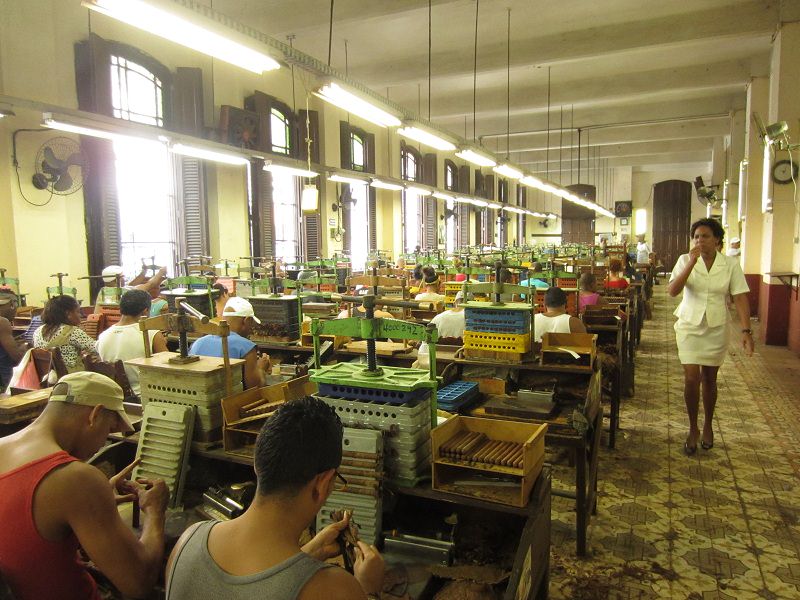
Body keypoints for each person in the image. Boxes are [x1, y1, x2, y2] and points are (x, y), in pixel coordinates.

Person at [165, 396, 385, 600]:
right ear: (322, 484)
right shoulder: (334, 589)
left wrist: (307, 554)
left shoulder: (187, 543)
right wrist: (368, 589)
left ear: (257, 464)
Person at [0, 372, 168, 600]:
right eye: (108, 431)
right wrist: (155, 512)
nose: (101, 445)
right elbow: (139, 583)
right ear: (95, 415)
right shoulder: (75, 478)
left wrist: (92, 506)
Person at [668, 218, 753, 455]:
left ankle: (708, 426)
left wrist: (746, 331)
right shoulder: (685, 260)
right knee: (691, 378)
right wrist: (691, 262)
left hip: (716, 326)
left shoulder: (730, 264)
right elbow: (673, 291)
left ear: (717, 240)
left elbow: (740, 297)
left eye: (705, 236)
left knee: (710, 379)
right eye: (696, 236)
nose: (699, 240)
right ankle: (693, 427)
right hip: (689, 326)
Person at [97, 289, 168, 396]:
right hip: (144, 395)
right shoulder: (151, 334)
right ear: (145, 311)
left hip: (114, 395)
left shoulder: (102, 336)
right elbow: (168, 370)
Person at [190, 297, 271, 389]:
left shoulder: (197, 343)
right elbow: (255, 388)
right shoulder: (246, 347)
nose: (251, 328)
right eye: (251, 323)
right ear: (246, 321)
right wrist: (261, 369)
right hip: (230, 401)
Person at [33, 295, 97, 373]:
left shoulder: (37, 332)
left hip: (47, 380)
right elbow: (97, 349)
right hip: (73, 381)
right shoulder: (72, 332)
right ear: (68, 314)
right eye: (78, 311)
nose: (80, 315)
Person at [0, 290, 25, 391]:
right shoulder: (2, 322)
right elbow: (17, 357)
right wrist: (25, 349)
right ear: (11, 304)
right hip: (5, 384)